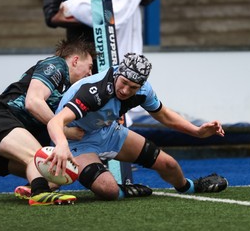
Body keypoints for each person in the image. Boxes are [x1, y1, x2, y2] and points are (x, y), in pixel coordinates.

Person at [46, 53, 228, 200]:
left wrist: (196, 131)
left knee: (169, 164)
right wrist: (61, 145)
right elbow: (55, 121)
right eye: (123, 83)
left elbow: (164, 115)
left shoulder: (143, 90)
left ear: (140, 85)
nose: (126, 91)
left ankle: (190, 187)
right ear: (117, 73)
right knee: (109, 190)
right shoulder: (95, 91)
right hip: (76, 139)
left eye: (132, 87)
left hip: (106, 131)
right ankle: (124, 190)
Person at [0, 38, 96, 206]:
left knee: (56, 173)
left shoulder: (67, 89)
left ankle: (32, 188)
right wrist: (64, 131)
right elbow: (33, 102)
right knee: (42, 157)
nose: (90, 74)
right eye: (89, 67)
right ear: (75, 60)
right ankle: (39, 194)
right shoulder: (56, 65)